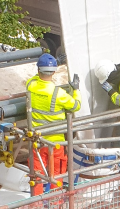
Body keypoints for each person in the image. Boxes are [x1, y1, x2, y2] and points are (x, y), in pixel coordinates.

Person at [26, 53, 81, 194]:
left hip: (37, 140)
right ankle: (56, 203)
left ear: (38, 70)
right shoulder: (59, 93)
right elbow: (76, 106)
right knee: (57, 174)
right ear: (54, 72)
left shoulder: (31, 86)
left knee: (36, 175)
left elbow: (33, 79)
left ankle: (36, 203)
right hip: (56, 143)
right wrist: (76, 90)